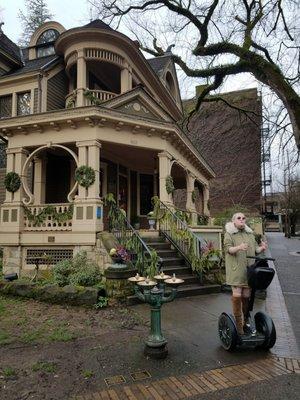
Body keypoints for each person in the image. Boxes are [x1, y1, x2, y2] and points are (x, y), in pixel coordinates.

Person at [224, 213, 267, 335]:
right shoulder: (229, 234)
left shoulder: (249, 234)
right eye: (239, 218)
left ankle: (245, 321)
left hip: (249, 270)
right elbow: (228, 249)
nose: (242, 220)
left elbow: (255, 250)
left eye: (243, 218)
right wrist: (238, 247)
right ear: (233, 221)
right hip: (236, 270)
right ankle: (239, 327)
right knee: (237, 295)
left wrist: (261, 248)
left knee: (247, 295)